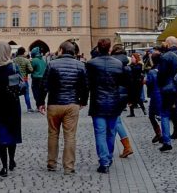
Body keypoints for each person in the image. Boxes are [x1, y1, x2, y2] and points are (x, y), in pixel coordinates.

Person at [39, 40, 88, 175]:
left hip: (54, 103)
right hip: (72, 104)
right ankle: (69, 166)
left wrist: (40, 102)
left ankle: (51, 163)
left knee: (53, 134)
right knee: (70, 136)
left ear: (61, 50)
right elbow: (85, 86)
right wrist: (83, 101)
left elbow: (44, 85)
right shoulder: (80, 65)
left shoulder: (52, 64)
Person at [86, 38, 128, 173]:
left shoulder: (91, 64)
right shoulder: (118, 63)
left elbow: (87, 84)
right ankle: (108, 157)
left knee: (100, 132)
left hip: (98, 102)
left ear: (98, 48)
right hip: (113, 102)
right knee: (111, 132)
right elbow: (123, 83)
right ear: (109, 49)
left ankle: (104, 161)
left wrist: (83, 100)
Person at [0, 42, 22, 177]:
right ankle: (12, 160)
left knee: (0, 135)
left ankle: (4, 167)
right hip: (12, 105)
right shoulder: (12, 67)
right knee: (12, 133)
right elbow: (15, 87)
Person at [145, 51, 163, 143]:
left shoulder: (152, 72)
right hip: (164, 94)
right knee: (164, 115)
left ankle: (159, 133)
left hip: (155, 95)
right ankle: (163, 134)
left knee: (152, 115)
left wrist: (145, 81)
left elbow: (149, 83)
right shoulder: (164, 69)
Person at [13, 47, 35, 113]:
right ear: (23, 52)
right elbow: (31, 70)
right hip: (24, 79)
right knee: (26, 94)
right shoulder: (26, 60)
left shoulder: (14, 60)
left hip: (15, 79)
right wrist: (27, 71)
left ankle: (15, 109)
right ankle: (29, 108)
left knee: (15, 94)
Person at [127, 53, 147, 117]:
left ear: (136, 58)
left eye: (133, 57)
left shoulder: (139, 65)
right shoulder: (130, 65)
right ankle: (132, 112)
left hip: (137, 84)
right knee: (130, 98)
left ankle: (144, 110)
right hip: (131, 84)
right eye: (131, 57)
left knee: (138, 98)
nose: (132, 58)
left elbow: (136, 70)